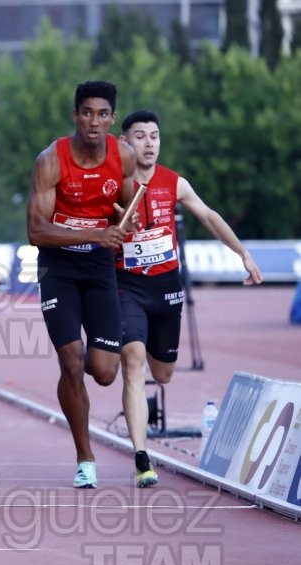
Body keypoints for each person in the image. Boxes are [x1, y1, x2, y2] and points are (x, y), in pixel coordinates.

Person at [117, 110, 263, 487]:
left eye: (154, 136)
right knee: (132, 360)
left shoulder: (174, 183)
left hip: (166, 288)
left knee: (162, 374)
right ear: (125, 142)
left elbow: (210, 217)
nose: (149, 143)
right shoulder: (114, 183)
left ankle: (142, 350)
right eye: (140, 136)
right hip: (126, 286)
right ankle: (141, 457)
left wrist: (242, 253)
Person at [26, 81, 137, 489]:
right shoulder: (50, 161)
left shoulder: (122, 157)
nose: (94, 121)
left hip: (99, 268)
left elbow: (122, 207)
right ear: (75, 115)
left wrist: (128, 222)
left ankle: (84, 365)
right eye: (86, 112)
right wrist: (93, 235)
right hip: (58, 267)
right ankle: (85, 456)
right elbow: (36, 230)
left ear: (111, 119)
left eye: (102, 114)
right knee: (71, 362)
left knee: (105, 372)